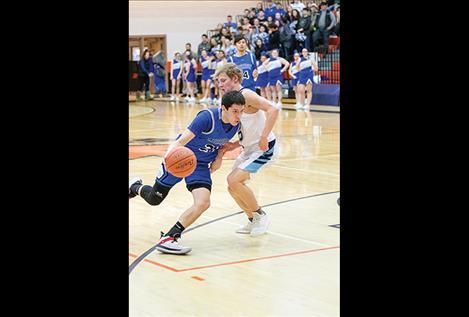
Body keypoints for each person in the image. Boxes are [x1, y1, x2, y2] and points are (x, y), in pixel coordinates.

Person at [129, 90, 245, 254]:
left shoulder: (237, 125)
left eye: (241, 111)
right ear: (223, 108)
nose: (239, 116)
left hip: (200, 165)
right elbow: (181, 141)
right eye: (235, 111)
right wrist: (168, 157)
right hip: (181, 158)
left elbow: (223, 147)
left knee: (203, 202)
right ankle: (135, 186)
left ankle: (170, 237)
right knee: (154, 199)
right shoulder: (207, 118)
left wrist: (219, 157)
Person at [214, 63, 279, 237]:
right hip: (248, 149)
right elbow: (246, 128)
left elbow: (273, 109)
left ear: (235, 79)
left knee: (234, 180)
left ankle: (260, 215)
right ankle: (252, 220)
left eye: (223, 80)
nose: (220, 85)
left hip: (264, 148)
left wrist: (264, 136)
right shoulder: (231, 99)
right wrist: (234, 145)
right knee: (232, 186)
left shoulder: (247, 94)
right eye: (217, 81)